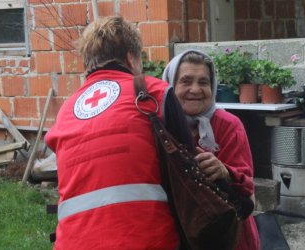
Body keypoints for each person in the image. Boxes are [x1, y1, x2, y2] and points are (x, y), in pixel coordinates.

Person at [45, 16, 182, 249]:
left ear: (88, 63)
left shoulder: (67, 109)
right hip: (145, 240)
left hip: (74, 242)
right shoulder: (155, 93)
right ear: (131, 58)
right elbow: (185, 175)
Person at [162, 49, 260, 250]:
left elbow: (248, 191)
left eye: (203, 82)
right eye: (186, 81)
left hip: (230, 237)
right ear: (170, 86)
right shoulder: (163, 129)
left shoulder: (229, 125)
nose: (196, 89)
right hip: (183, 236)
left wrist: (225, 172)